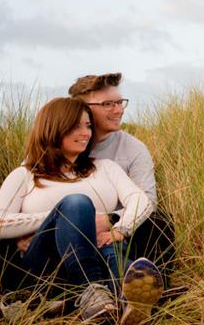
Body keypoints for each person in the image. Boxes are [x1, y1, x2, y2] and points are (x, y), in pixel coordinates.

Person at [0, 98, 163, 323]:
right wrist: (61, 220)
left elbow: (141, 200)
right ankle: (93, 290)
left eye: (88, 126)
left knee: (111, 248)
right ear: (54, 127)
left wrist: (121, 228)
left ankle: (126, 301)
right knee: (77, 204)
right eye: (76, 126)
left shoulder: (105, 167)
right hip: (47, 265)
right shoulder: (25, 174)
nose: (86, 133)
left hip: (103, 247)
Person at [67, 73, 175, 285]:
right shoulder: (58, 144)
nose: (119, 110)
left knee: (158, 222)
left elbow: (148, 201)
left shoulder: (133, 148)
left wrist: (112, 220)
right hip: (68, 230)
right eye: (108, 104)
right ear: (83, 109)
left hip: (118, 233)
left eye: (119, 102)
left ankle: (152, 286)